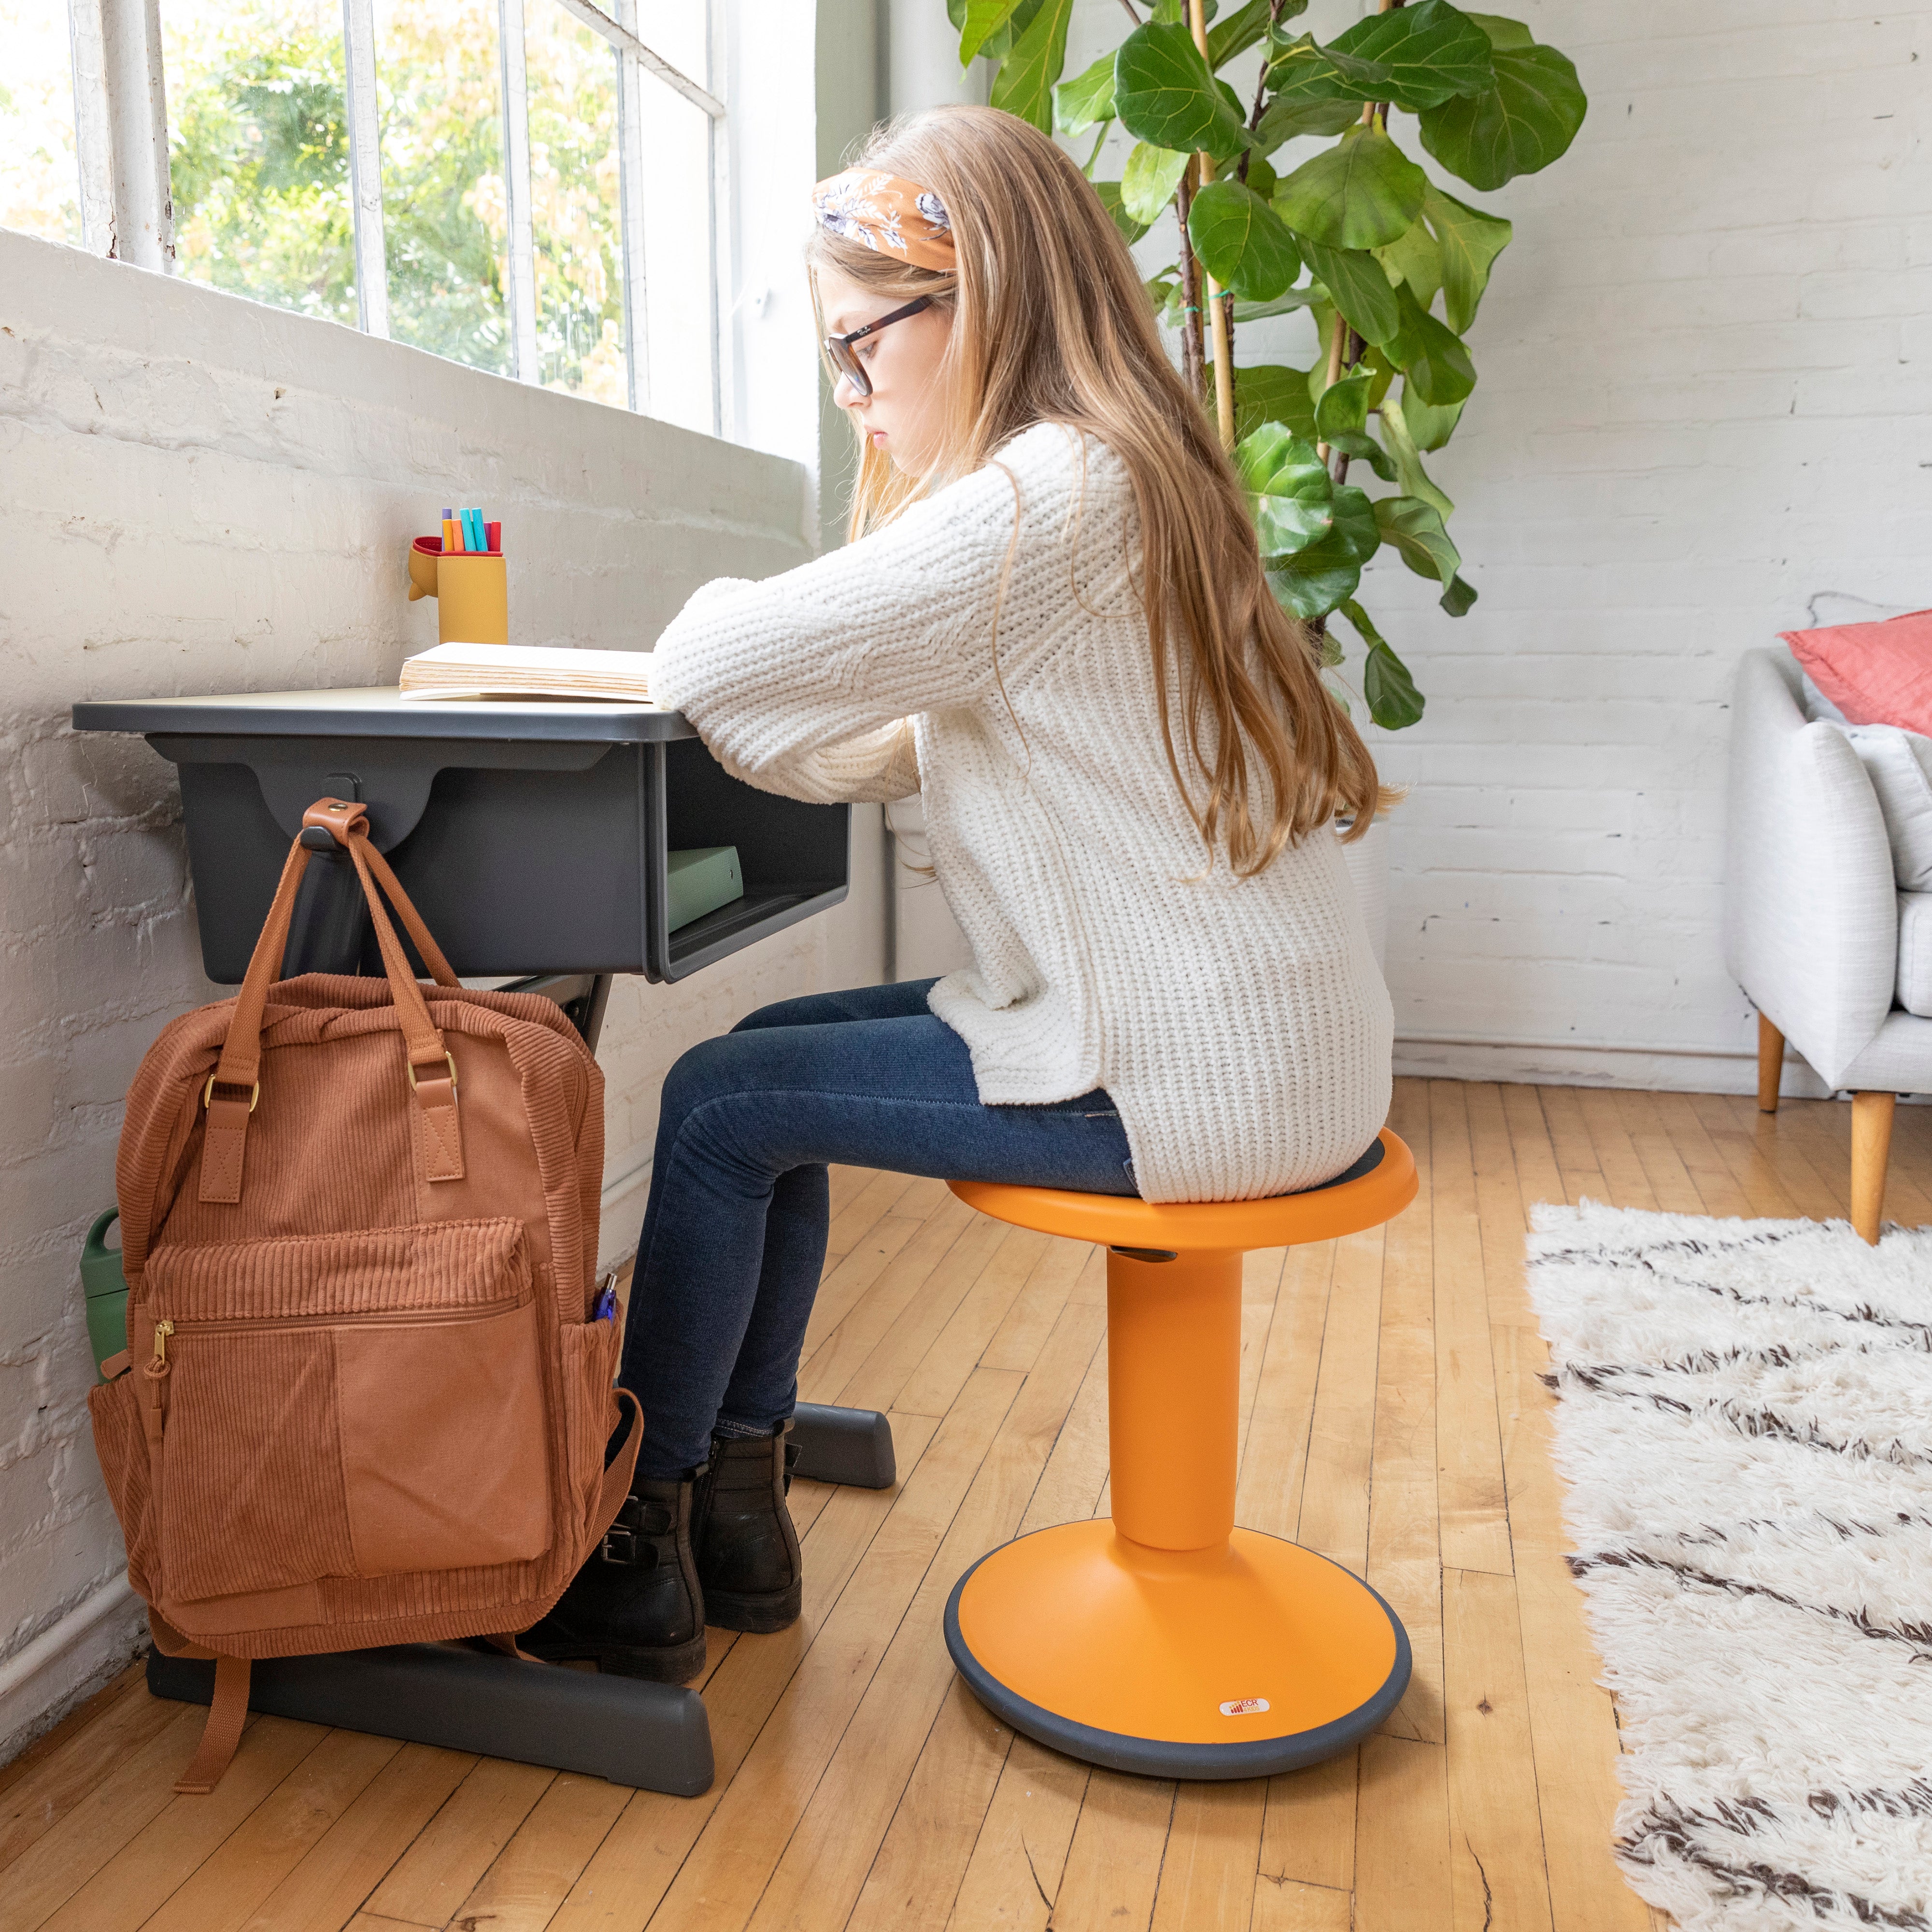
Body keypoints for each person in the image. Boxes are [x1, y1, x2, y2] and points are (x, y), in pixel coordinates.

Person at [524, 104, 1394, 1683]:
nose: (855, 402)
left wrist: (717, 656)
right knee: (758, 1080)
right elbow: (903, 748)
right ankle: (733, 1507)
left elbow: (717, 660)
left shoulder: (1043, 497)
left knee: (720, 1107)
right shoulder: (1128, 479)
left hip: (1176, 1079)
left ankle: (636, 1536)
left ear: (975, 299)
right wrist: (805, 710)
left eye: (861, 349)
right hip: (1255, 1051)